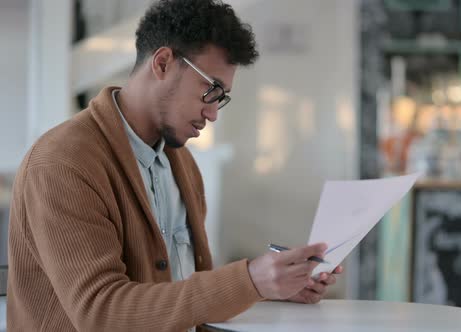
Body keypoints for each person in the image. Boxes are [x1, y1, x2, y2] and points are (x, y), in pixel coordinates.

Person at [7, 0, 342, 331]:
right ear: (163, 63)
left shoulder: (181, 164)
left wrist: (270, 287)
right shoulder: (63, 162)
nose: (213, 113)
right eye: (211, 90)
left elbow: (177, 288)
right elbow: (100, 311)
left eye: (222, 97)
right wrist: (249, 280)